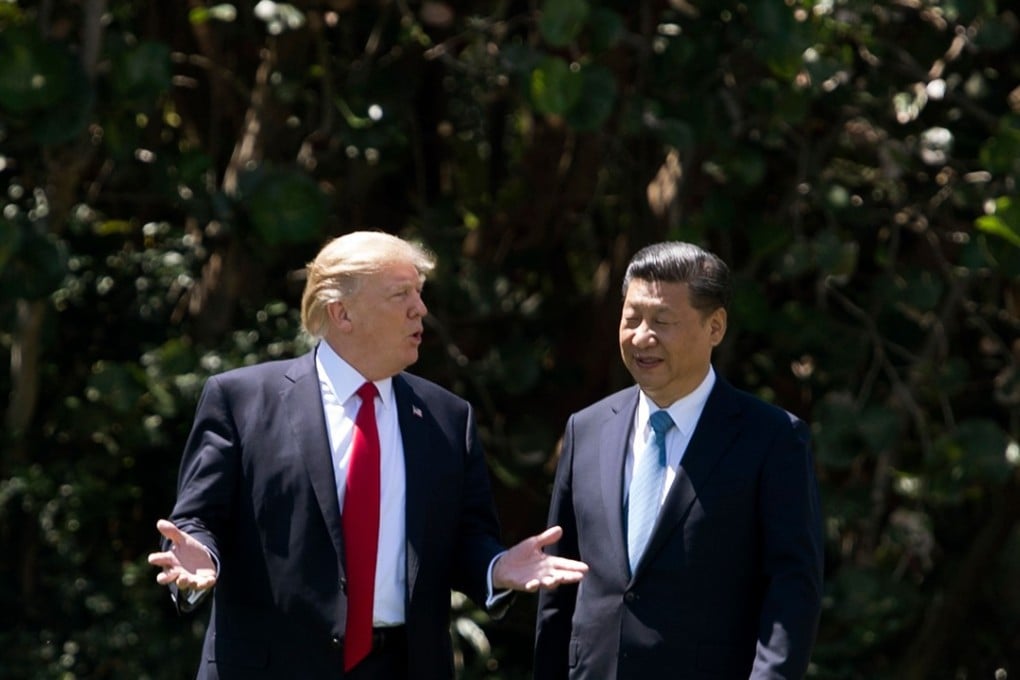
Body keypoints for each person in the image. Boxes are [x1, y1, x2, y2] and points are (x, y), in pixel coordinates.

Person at [148, 230, 588, 679]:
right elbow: (197, 518)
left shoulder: (447, 417)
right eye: (401, 294)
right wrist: (200, 553)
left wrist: (496, 567)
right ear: (342, 313)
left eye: (419, 292)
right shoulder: (241, 400)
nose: (421, 309)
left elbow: (465, 538)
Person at [533, 241, 823, 679]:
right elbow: (560, 582)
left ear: (716, 327)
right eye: (631, 319)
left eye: (663, 322)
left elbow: (792, 590)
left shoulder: (772, 438)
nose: (642, 336)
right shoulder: (587, 429)